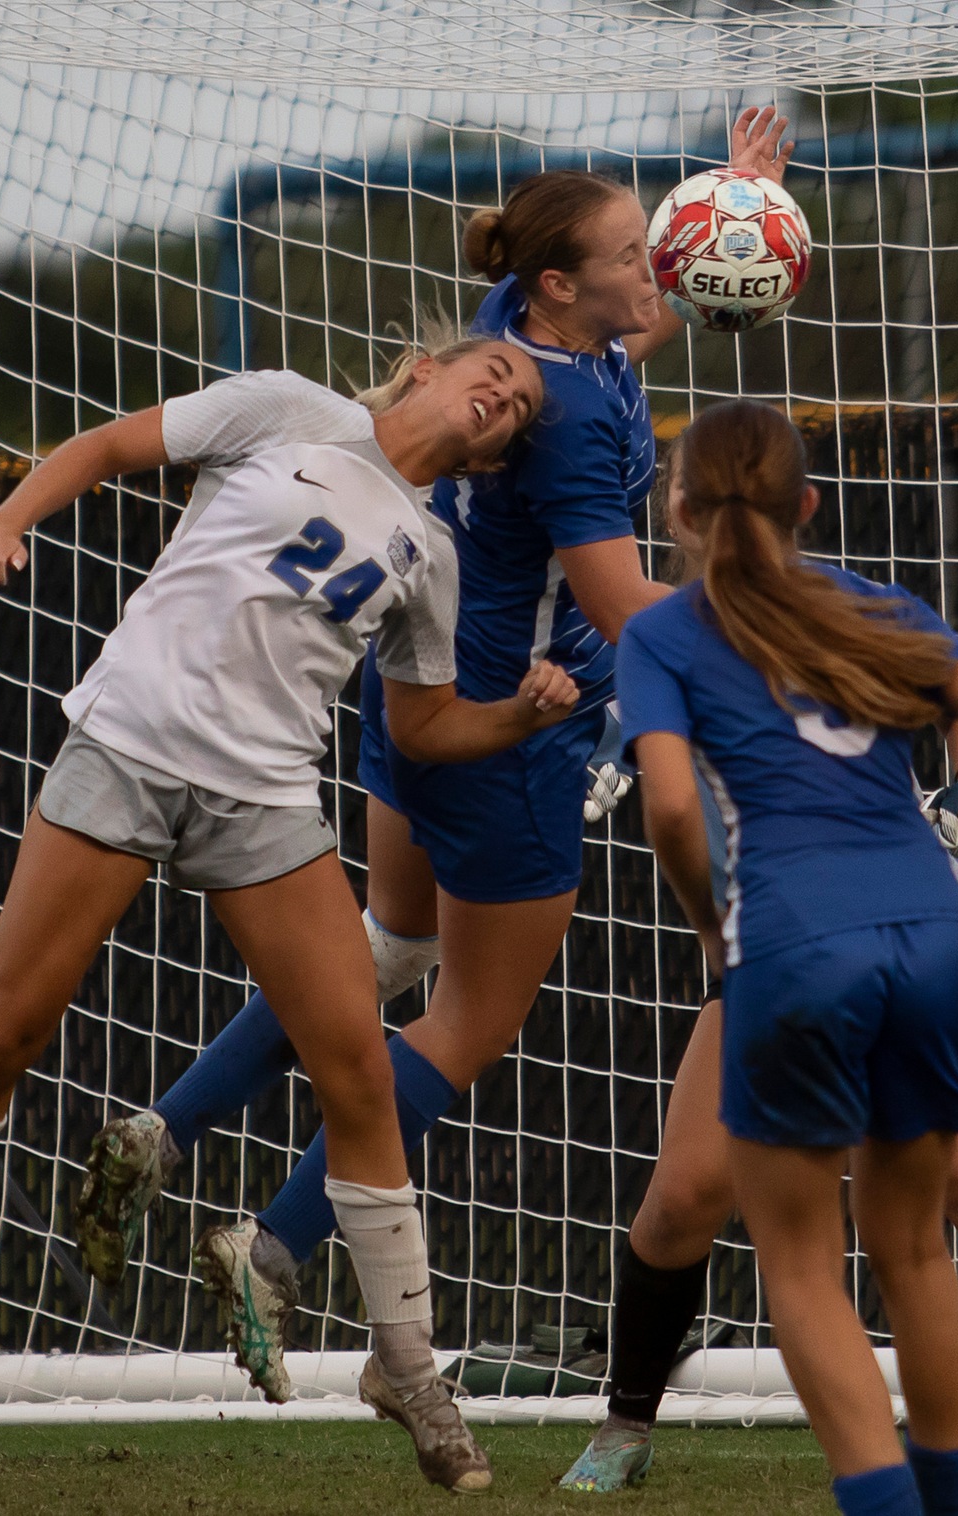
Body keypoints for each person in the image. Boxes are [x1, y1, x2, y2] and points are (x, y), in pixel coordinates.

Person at [67, 110, 801, 1402]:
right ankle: (273, 1249)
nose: (660, 268)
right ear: (561, 284)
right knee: (458, 1024)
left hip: (408, 697)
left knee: (383, 951)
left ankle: (160, 1126)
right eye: (640, 250)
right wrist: (775, 645)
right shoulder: (564, 419)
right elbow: (623, 605)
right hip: (507, 721)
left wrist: (728, 212)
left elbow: (636, 320)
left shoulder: (514, 324)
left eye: (660, 248)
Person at [0, 335, 566, 1493]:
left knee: (361, 1076)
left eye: (517, 409)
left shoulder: (432, 550)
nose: (499, 401)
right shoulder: (289, 410)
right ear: (424, 366)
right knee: (4, 1032)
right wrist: (9, 519)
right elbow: (107, 444)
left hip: (264, 797)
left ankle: (411, 1373)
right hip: (127, 747)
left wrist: (520, 717)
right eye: (493, 377)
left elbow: (419, 730)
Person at [559, 443, 958, 1495]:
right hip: (925, 929)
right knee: (896, 1246)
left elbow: (675, 808)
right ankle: (633, 1428)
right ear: (810, 506)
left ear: (673, 510)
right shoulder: (869, 603)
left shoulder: (664, 631)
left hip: (788, 936)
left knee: (807, 1265)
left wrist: (713, 929)